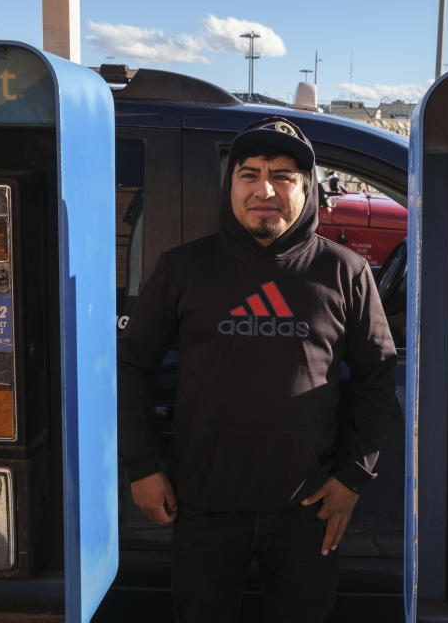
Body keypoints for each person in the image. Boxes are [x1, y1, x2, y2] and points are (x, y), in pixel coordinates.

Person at [117, 116, 397, 623]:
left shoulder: (345, 272)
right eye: (249, 174)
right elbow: (131, 364)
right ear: (232, 186)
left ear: (307, 189)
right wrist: (140, 467)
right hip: (200, 507)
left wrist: (353, 478)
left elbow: (378, 375)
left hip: (308, 512)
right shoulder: (183, 268)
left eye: (283, 176)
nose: (263, 189)